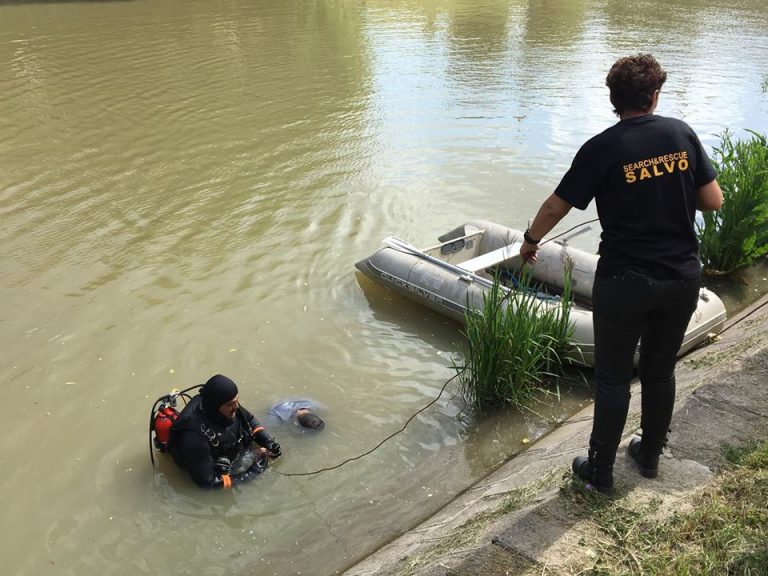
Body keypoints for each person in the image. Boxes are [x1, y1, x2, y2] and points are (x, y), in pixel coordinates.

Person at [519, 54, 723, 495]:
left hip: (625, 281)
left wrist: (531, 239)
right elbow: (714, 200)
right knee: (659, 369)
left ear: (614, 100)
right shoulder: (680, 133)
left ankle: (600, 471)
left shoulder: (601, 147)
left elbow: (558, 205)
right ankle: (649, 456)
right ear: (654, 96)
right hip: (680, 277)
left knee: (612, 377)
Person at [169, 374, 282, 489]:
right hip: (211, 464)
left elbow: (250, 420)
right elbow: (207, 483)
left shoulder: (229, 404)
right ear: (215, 407)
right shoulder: (194, 437)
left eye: (237, 400)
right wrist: (251, 473)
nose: (237, 406)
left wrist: (266, 441)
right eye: (230, 404)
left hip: (234, 450)